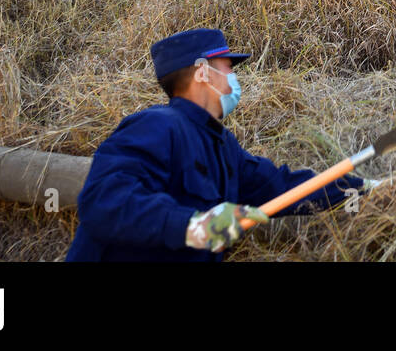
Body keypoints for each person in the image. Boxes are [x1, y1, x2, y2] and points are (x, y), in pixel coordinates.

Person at [66, 27, 366, 261]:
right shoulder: (155, 125)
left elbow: (282, 186)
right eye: (228, 69)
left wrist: (363, 188)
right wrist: (194, 226)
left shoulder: (222, 147)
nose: (234, 79)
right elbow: (103, 199)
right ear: (202, 73)